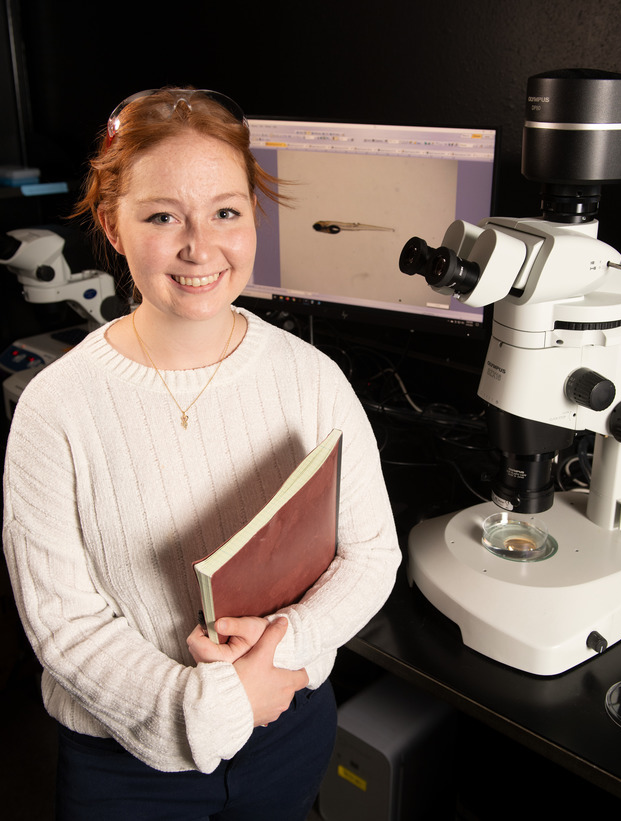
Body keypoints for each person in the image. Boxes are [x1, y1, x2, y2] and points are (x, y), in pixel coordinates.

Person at [2, 87, 400, 821]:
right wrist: (217, 704)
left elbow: (372, 552)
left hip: (290, 723)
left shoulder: (310, 378)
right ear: (112, 227)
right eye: (161, 216)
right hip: (125, 762)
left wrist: (286, 643)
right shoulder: (54, 408)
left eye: (226, 211)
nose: (200, 247)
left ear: (253, 219)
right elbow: (66, 625)